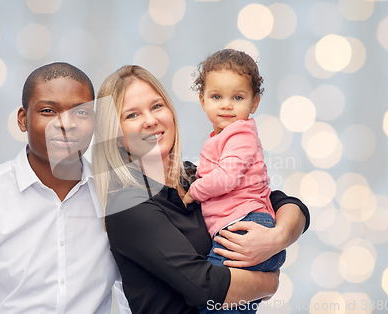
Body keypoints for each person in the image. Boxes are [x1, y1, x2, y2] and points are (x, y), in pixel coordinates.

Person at [92, 65, 310, 314]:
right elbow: (203, 287)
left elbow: (283, 202)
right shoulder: (128, 204)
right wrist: (269, 284)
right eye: (132, 115)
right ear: (116, 134)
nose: (150, 121)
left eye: (156, 106)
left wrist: (278, 236)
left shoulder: (195, 178)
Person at [0, 62, 131, 314]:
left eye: (81, 113)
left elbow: (134, 297)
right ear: (23, 119)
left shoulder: (115, 197)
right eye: (48, 110)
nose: (66, 124)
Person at [182, 49, 283, 313]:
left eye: (237, 97)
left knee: (213, 297)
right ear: (203, 101)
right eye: (217, 97)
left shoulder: (240, 134)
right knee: (236, 305)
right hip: (239, 223)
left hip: (244, 225)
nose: (226, 105)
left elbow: (226, 178)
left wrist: (195, 190)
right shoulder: (221, 137)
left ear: (254, 103)